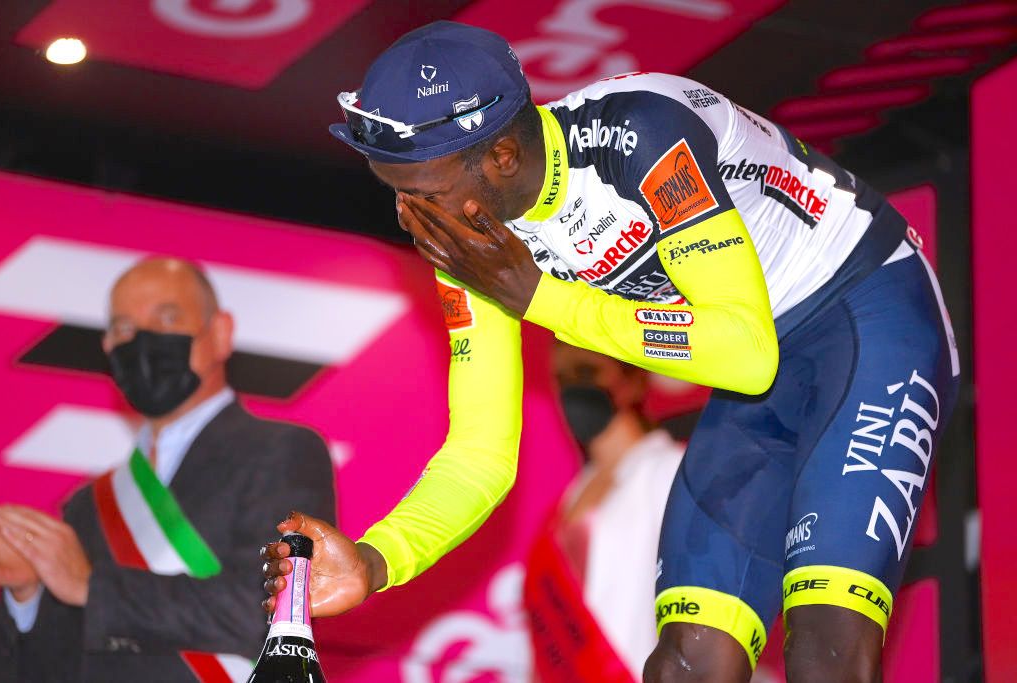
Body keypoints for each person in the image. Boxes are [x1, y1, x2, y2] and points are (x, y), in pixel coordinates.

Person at [262, 21, 959, 683]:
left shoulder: (643, 135)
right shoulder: (464, 241)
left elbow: (746, 352)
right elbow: (479, 453)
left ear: (501, 156)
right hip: (765, 374)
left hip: (866, 313)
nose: (413, 220)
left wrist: (539, 296)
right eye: (398, 198)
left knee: (826, 646)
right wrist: (377, 560)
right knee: (686, 660)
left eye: (426, 195)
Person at [0, 258, 335, 682]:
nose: (142, 342)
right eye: (123, 329)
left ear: (221, 332)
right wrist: (26, 594)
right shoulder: (89, 506)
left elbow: (269, 611)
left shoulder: (283, 451)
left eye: (168, 318)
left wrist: (93, 587)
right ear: (107, 349)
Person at [524, 343, 685, 682]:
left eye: (585, 372)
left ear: (630, 379)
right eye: (560, 377)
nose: (572, 388)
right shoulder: (573, 493)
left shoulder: (669, 471)